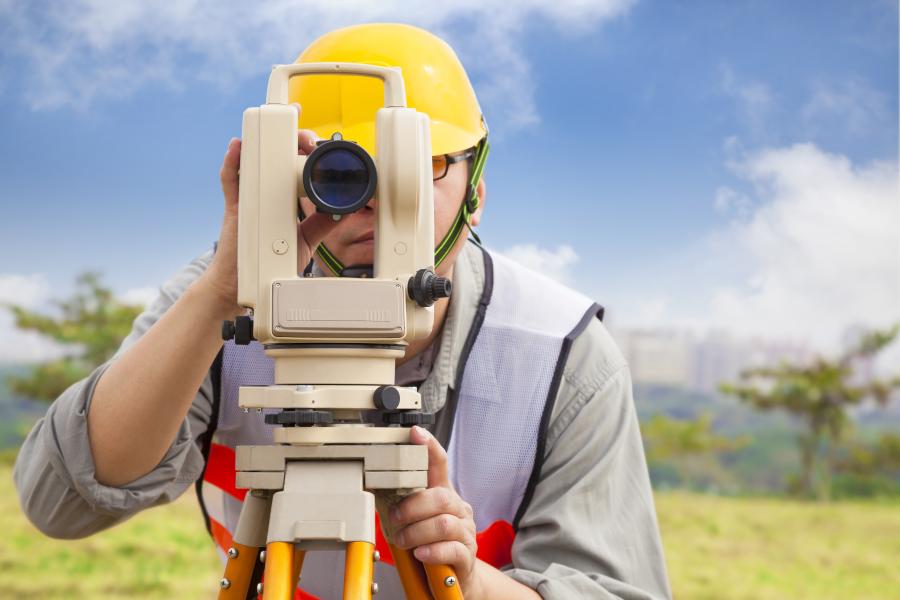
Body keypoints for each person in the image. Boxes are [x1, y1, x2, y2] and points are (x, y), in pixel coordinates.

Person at [14, 23, 671, 600]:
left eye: (418, 165)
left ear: (477, 189)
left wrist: (469, 582)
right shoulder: (225, 296)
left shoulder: (556, 351)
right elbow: (58, 506)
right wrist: (220, 295)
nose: (369, 201)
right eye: (336, 168)